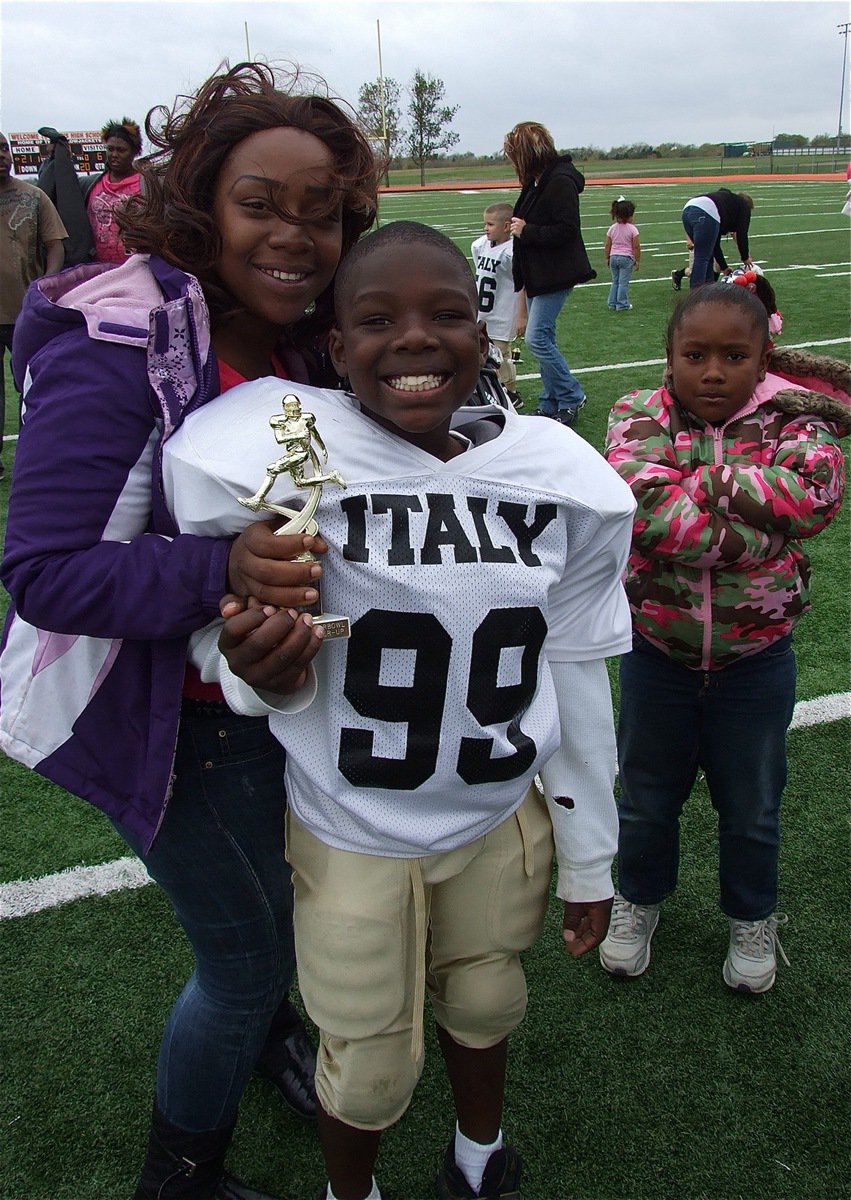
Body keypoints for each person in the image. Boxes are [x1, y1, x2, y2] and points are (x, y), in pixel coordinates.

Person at [161, 220, 636, 1200]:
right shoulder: (279, 451)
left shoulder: (561, 475)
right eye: (377, 319)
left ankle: (476, 1158)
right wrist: (267, 671)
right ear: (334, 351)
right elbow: (241, 652)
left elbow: (578, 669)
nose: (415, 338)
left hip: (498, 809)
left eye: (446, 313)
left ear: (484, 329)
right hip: (353, 824)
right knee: (367, 1057)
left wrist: (590, 851)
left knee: (489, 996)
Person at [0, 62, 379, 1200]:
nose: (293, 235)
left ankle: (265, 1040)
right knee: (248, 952)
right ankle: (180, 1172)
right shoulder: (118, 344)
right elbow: (43, 571)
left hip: (276, 702)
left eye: (322, 214)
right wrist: (217, 564)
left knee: (286, 912)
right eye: (260, 203)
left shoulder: (305, 338)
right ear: (202, 201)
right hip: (170, 720)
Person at [600, 283, 849, 994]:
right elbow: (642, 507)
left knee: (751, 807)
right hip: (657, 654)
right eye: (694, 354)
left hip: (755, 660)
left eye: (734, 355)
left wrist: (698, 480)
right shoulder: (635, 413)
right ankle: (638, 900)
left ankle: (750, 917)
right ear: (669, 357)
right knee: (646, 797)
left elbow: (813, 496)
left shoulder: (797, 419)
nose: (712, 371)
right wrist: (758, 524)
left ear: (763, 357)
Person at [503, 121, 596, 427]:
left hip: (556, 271)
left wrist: (527, 231)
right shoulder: (536, 181)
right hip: (538, 273)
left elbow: (567, 230)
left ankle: (570, 394)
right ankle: (551, 399)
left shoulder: (559, 181)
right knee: (544, 337)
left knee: (537, 338)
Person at [0, 129, 67, 481]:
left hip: (26, 314)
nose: (1, 155)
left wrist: (44, 287)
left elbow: (56, 246)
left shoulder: (33, 197)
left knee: (34, 387)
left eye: (4, 148)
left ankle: (39, 455)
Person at [470, 202, 524, 405]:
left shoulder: (512, 252)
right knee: (487, 355)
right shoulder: (480, 245)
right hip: (482, 312)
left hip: (502, 313)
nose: (486, 228)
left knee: (498, 357)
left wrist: (521, 315)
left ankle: (507, 394)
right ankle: (507, 392)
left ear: (506, 225)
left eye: (491, 224)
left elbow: (521, 284)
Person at [81, 117, 145, 262]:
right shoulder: (91, 184)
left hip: (136, 268)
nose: (114, 155)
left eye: (121, 150)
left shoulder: (146, 185)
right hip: (98, 268)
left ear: (135, 152)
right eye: (110, 149)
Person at [681, 187, 754, 289]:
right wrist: (745, 258)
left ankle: (708, 290)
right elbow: (742, 234)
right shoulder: (743, 206)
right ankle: (696, 295)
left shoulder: (724, 205)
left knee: (707, 255)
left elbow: (714, 246)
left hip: (688, 209)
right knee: (702, 257)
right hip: (705, 211)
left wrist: (724, 267)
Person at [604, 197, 640, 312]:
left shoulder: (612, 228)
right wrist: (637, 260)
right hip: (626, 258)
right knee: (623, 282)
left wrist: (607, 257)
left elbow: (607, 245)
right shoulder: (633, 229)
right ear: (629, 215)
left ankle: (612, 303)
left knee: (615, 281)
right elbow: (636, 246)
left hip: (614, 256)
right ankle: (622, 304)